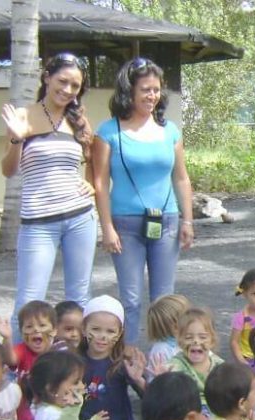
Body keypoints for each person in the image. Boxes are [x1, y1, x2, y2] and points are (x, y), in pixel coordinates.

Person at [92, 57, 194, 346]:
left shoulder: (170, 131)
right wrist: (107, 227)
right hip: (125, 224)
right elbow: (99, 183)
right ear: (129, 92)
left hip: (167, 220)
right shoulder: (108, 131)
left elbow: (181, 178)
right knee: (132, 299)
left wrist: (187, 220)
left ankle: (165, 361)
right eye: (145, 89)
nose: (152, 95)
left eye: (156, 89)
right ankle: (127, 361)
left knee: (164, 299)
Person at [1, 53, 97, 338]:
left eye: (75, 86)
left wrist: (90, 182)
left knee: (80, 297)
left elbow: (92, 158)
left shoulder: (78, 121)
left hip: (80, 219)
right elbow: (8, 170)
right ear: (47, 78)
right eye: (62, 81)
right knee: (30, 301)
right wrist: (18, 139)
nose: (67, 90)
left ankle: (78, 363)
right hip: (38, 223)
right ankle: (18, 368)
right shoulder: (22, 116)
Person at [77, 295, 148, 420]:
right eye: (96, 329)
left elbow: (151, 399)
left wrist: (139, 380)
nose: (102, 336)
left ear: (120, 333)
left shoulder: (121, 363)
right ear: (84, 328)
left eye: (110, 331)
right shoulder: (73, 361)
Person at [0, 299, 58, 420]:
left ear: (54, 331)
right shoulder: (23, 350)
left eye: (42, 325)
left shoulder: (58, 354)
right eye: (29, 327)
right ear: (21, 333)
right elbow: (10, 359)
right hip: (25, 413)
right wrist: (7, 338)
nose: (35, 330)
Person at [166, 307, 225, 414]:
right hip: (188, 412)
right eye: (188, 337)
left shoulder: (219, 365)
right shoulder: (177, 364)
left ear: (212, 341)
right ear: (179, 341)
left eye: (202, 337)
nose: (196, 341)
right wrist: (163, 377)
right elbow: (169, 378)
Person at [144, 293, 190, 381]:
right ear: (175, 326)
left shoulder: (188, 340)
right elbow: (154, 383)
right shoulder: (161, 350)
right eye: (188, 316)